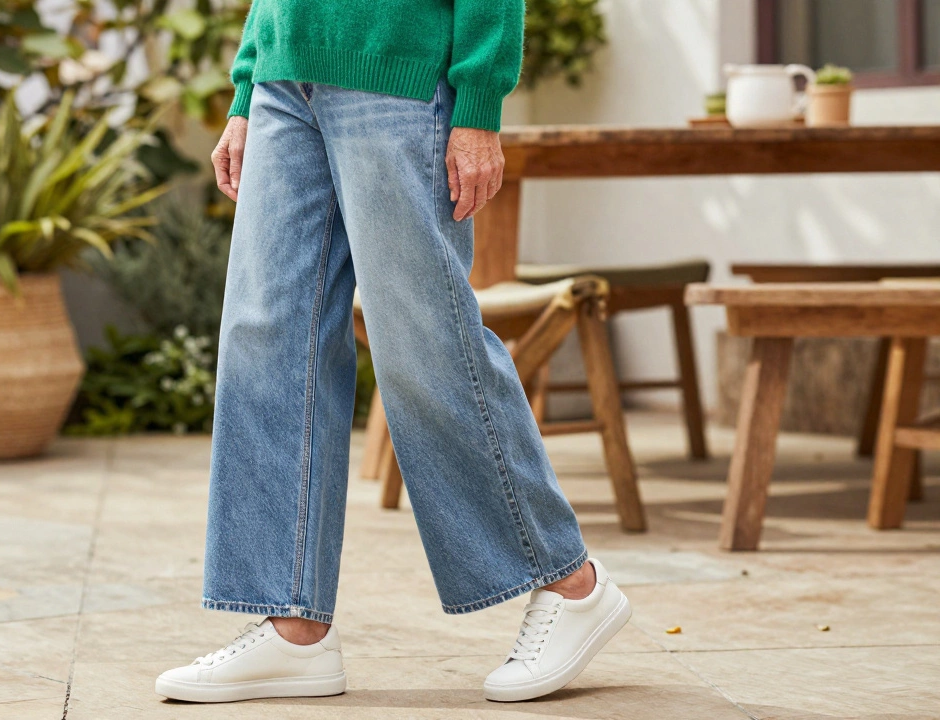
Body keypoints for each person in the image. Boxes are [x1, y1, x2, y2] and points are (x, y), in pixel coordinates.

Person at [155, 0, 630, 704]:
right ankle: (292, 629)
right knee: (265, 343)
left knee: (425, 345)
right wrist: (248, 85)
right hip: (286, 73)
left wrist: (479, 101)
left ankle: (570, 585)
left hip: (399, 71)